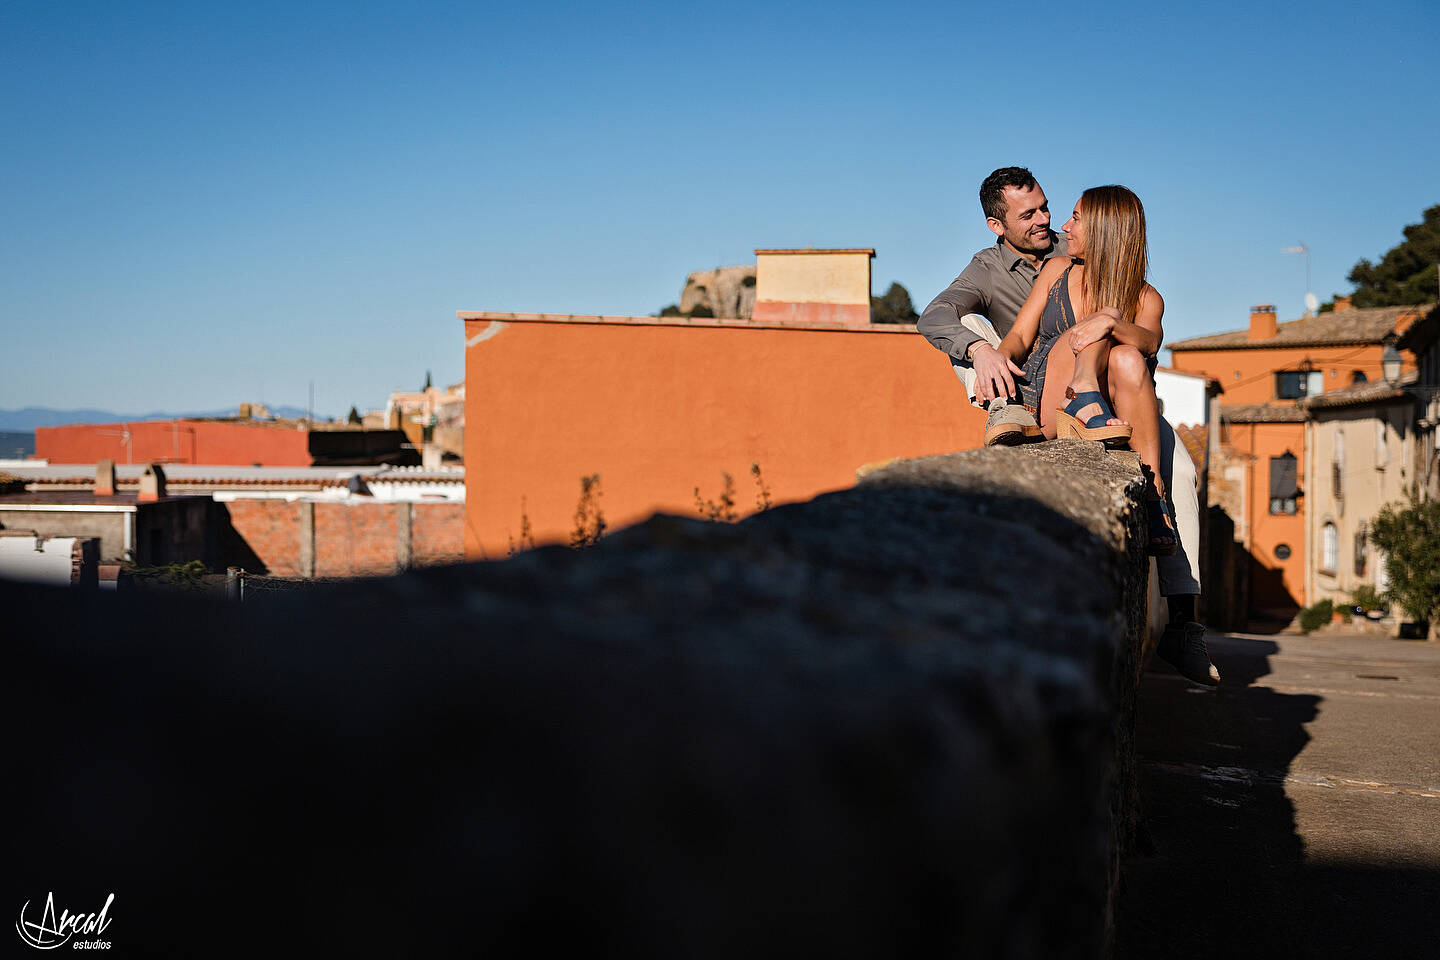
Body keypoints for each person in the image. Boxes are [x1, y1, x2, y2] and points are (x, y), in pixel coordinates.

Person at [917, 167, 1218, 685]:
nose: (1048, 221)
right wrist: (985, 352)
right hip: (1037, 378)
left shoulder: (1083, 256)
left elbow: (1144, 344)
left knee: (1183, 472)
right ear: (997, 225)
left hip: (1122, 392)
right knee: (976, 331)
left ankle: (1184, 618)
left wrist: (1110, 322)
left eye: (1050, 209)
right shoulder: (998, 268)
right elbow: (942, 317)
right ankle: (1002, 408)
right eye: (1029, 214)